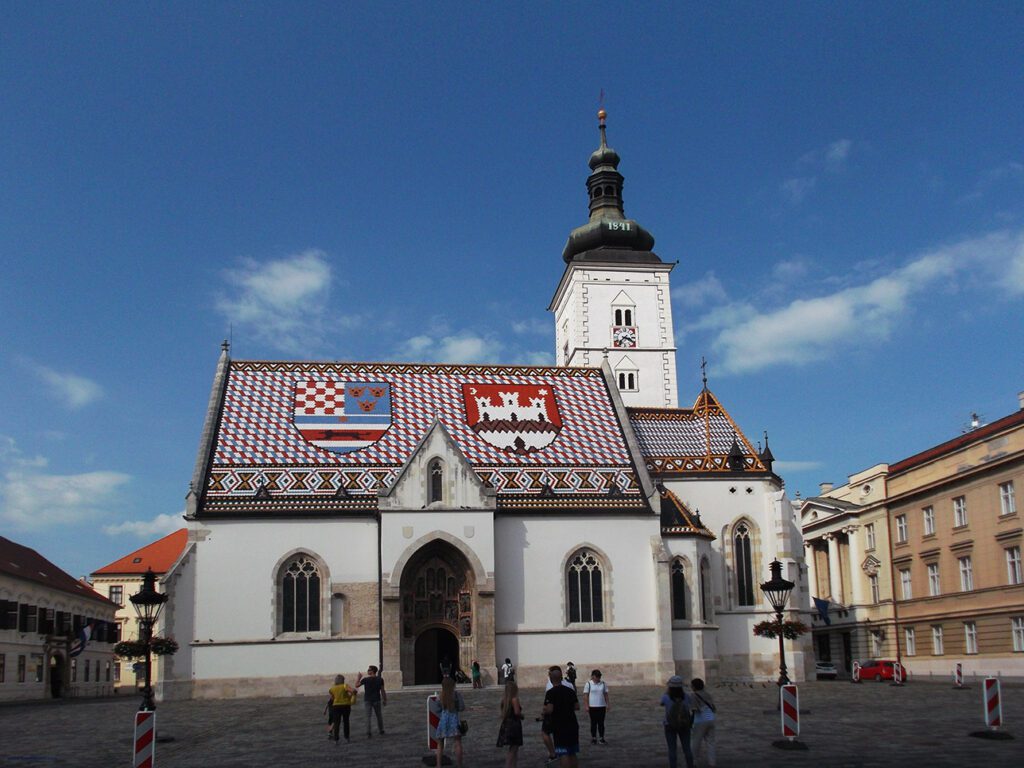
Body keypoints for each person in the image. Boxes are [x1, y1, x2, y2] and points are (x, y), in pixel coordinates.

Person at [542, 666, 580, 768]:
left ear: (551, 678)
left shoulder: (550, 693)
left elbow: (549, 709)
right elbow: (577, 706)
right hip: (572, 724)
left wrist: (544, 710)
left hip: (560, 726)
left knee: (563, 753)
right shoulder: (570, 690)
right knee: (572, 752)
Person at [661, 675, 694, 768]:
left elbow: (662, 703)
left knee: (672, 749)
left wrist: (667, 691)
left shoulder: (666, 697)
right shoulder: (686, 697)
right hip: (684, 724)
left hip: (669, 725)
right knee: (687, 748)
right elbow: (690, 705)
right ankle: (690, 765)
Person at [433, 676, 466, 768]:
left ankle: (438, 765)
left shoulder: (440, 696)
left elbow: (437, 709)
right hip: (454, 719)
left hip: (444, 720)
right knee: (458, 742)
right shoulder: (456, 695)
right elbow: (462, 707)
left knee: (440, 744)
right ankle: (460, 765)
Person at [495, 680, 523, 768]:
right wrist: (522, 715)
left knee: (513, 748)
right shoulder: (514, 699)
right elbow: (517, 712)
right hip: (514, 725)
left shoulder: (504, 700)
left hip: (507, 724)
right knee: (514, 749)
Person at [689, 678, 716, 767]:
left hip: (700, 720)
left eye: (692, 685)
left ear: (694, 686)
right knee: (710, 742)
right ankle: (712, 763)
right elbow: (713, 707)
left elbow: (694, 710)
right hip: (711, 719)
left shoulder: (693, 695)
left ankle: (694, 762)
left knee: (696, 742)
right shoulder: (708, 694)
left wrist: (690, 722)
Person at [355, 665, 387, 737]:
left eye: (369, 670)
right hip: (377, 699)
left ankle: (368, 732)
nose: (368, 671)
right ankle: (381, 730)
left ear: (372, 671)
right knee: (379, 716)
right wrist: (385, 699)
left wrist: (359, 678)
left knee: (368, 716)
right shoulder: (380, 679)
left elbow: (356, 685)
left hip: (368, 700)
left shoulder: (365, 680)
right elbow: (382, 690)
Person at [326, 674, 357, 743]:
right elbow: (352, 691)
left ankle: (336, 739)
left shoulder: (332, 689)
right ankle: (347, 737)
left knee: (337, 723)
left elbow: (332, 698)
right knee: (346, 722)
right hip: (345, 705)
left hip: (336, 706)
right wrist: (352, 695)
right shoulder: (345, 686)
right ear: (342, 680)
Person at [582, 668, 609, 744]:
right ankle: (593, 737)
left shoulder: (603, 684)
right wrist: (586, 706)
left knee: (601, 723)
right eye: (597, 676)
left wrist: (608, 704)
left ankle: (601, 737)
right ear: (593, 676)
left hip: (601, 706)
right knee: (593, 723)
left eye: (599, 676)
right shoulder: (588, 684)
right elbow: (585, 695)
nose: (598, 678)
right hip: (592, 706)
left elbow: (606, 694)